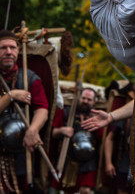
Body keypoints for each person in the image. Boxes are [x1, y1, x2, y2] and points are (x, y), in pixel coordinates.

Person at [0, 29, 49, 191]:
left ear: (18, 51)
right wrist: (11, 96)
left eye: (13, 48)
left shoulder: (30, 77)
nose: (9, 52)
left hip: (21, 150)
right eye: (3, 48)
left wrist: (33, 130)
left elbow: (42, 108)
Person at [51, 88, 103, 194]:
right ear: (79, 98)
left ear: (94, 102)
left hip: (89, 160)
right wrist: (62, 130)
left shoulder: (97, 116)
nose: (85, 101)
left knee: (86, 190)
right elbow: (53, 133)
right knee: (67, 190)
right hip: (70, 158)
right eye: (83, 98)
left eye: (89, 99)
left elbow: (102, 137)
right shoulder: (66, 112)